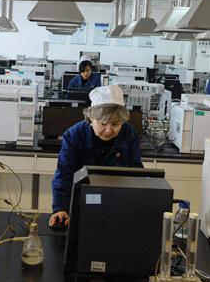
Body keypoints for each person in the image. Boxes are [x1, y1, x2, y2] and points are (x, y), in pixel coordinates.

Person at [49, 85, 143, 228]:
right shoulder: (74, 135)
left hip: (118, 201)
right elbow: (64, 175)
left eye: (115, 124)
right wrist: (60, 208)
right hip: (82, 201)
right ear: (91, 118)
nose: (108, 130)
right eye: (103, 123)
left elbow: (136, 173)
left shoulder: (129, 134)